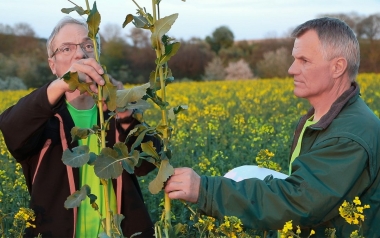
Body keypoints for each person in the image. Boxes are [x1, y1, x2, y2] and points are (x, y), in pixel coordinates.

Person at [164, 17, 380, 237]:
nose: (291, 69)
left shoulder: (349, 136)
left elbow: (299, 202)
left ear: (337, 67)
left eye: (304, 60)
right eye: (294, 59)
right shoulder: (323, 119)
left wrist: (205, 190)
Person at [0, 16, 158, 237]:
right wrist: (64, 83)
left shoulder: (115, 112)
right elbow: (10, 128)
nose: (80, 54)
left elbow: (148, 163)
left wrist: (124, 114)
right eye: (66, 49)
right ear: (52, 65)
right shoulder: (41, 120)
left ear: (98, 56)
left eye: (87, 46)